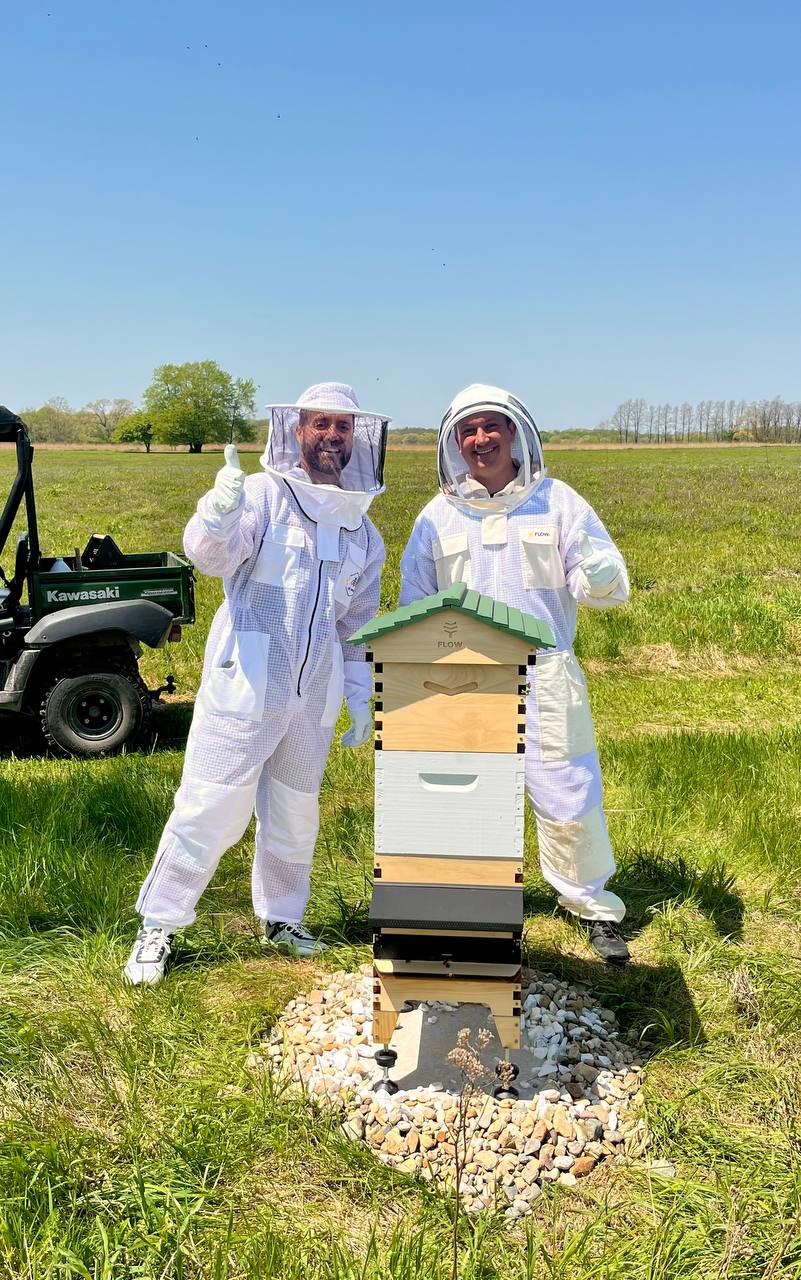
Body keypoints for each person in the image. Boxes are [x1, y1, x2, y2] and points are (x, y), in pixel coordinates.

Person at [124, 382, 389, 985]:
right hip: (246, 680)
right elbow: (211, 557)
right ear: (298, 430)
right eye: (321, 423)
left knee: (295, 811)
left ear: (358, 437)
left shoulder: (363, 531)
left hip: (314, 694)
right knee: (211, 804)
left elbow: (356, 622)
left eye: (343, 426)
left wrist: (357, 690)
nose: (332, 436)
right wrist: (215, 515)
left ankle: (283, 918)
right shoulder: (266, 497)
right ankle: (159, 924)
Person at [399, 383, 630, 963]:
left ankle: (591, 905)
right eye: (468, 431)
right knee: (467, 796)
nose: (481, 439)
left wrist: (600, 572)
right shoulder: (437, 516)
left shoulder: (559, 502)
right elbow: (414, 600)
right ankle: (471, 909)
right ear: (454, 444)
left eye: (491, 427)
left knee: (568, 789)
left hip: (545, 672)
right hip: (464, 679)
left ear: (514, 433)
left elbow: (600, 585)